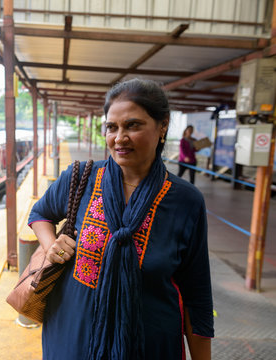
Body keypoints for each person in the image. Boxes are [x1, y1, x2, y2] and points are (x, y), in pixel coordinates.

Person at [28, 79, 213, 359]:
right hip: (72, 335)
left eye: (133, 125)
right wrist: (50, 243)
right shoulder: (82, 177)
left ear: (162, 126)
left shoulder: (186, 201)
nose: (119, 138)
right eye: (112, 127)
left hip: (148, 342)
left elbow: (196, 292)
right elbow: (40, 213)